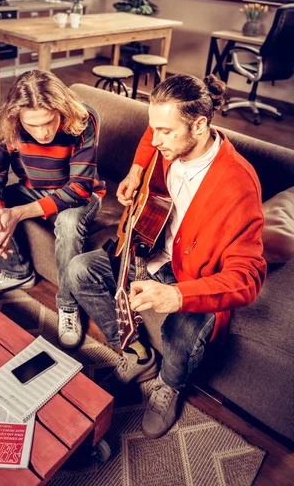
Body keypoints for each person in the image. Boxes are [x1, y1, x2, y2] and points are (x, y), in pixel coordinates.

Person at [66, 73, 266, 439]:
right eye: (152, 129)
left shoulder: (238, 184)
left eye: (166, 132)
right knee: (80, 270)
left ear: (200, 125)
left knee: (183, 324)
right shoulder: (169, 142)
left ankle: (169, 384)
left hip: (190, 277)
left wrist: (176, 295)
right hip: (146, 251)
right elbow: (154, 133)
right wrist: (136, 169)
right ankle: (138, 353)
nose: (155, 141)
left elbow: (248, 277)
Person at [0, 69, 105, 350]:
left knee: (68, 224)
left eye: (48, 121)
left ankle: (68, 305)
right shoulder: (3, 122)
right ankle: (18, 273)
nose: (43, 132)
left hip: (79, 194)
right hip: (32, 188)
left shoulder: (83, 118)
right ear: (17, 118)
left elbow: (79, 189)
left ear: (61, 109)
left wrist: (16, 214)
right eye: (32, 125)